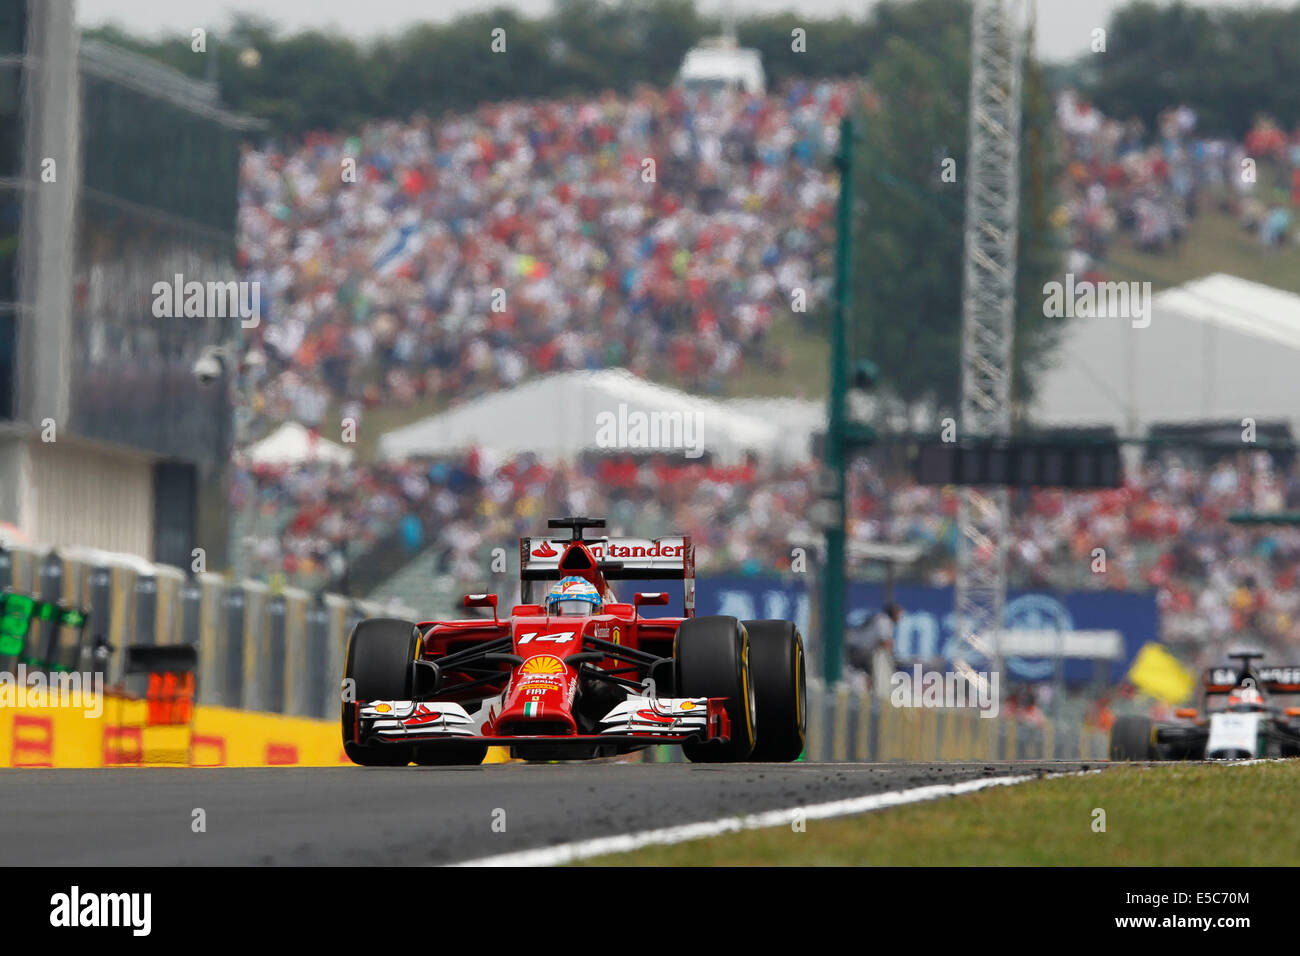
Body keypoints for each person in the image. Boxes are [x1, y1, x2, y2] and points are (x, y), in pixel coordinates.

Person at [869, 602, 902, 700]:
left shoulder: (887, 622)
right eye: (899, 614)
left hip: (869, 652)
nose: (901, 617)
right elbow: (884, 643)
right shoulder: (883, 621)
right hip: (861, 651)